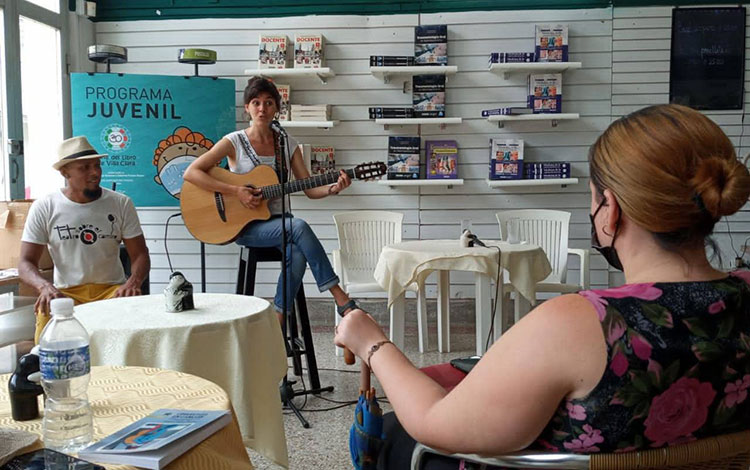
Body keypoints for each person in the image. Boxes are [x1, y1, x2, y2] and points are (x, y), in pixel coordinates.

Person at [334, 104, 750, 469]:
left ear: (612, 212)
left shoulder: (582, 322)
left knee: (384, 434)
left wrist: (372, 341)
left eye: (593, 200)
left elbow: (433, 422)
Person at [183, 76, 358, 321]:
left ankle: (279, 319)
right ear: (247, 108)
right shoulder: (233, 142)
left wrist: (332, 188)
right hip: (245, 227)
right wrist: (236, 191)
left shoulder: (287, 144)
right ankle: (339, 295)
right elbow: (191, 172)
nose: (262, 109)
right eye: (255, 102)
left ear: (277, 108)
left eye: (268, 103)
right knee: (298, 227)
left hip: (281, 223)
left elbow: (309, 188)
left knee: (296, 251)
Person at [19, 136, 150, 343]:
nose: (95, 173)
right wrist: (44, 287)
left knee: (133, 339)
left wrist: (133, 283)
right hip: (65, 294)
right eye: (84, 168)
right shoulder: (45, 206)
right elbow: (25, 263)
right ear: (65, 172)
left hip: (112, 291)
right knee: (47, 345)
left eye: (97, 165)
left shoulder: (121, 203)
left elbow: (140, 254)